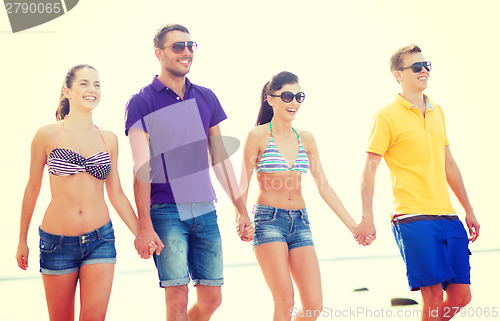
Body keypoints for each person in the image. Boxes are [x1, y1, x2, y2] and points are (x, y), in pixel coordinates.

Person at [124, 24, 252, 321]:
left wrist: (240, 208)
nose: (187, 51)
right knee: (177, 296)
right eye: (178, 46)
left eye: (191, 45)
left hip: (205, 208)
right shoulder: (141, 101)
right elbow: (139, 168)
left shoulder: (206, 97)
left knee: (212, 298)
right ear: (159, 53)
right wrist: (144, 226)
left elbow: (220, 157)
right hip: (165, 211)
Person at [15, 64, 156, 321]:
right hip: (56, 242)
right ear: (67, 91)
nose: (92, 89)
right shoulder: (46, 135)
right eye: (84, 83)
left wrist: (142, 232)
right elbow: (32, 188)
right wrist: (22, 239)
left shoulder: (109, 139)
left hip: (100, 240)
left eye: (97, 84)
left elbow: (116, 194)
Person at [355, 44, 480, 321]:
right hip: (413, 216)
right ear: (398, 74)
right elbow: (368, 169)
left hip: (448, 215)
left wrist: (468, 209)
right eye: (416, 67)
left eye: (426, 66)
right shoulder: (386, 116)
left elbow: (449, 163)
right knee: (433, 297)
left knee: (462, 295)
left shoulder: (438, 111)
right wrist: (366, 217)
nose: (424, 71)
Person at [239, 71, 370, 321]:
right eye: (287, 96)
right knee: (285, 300)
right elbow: (242, 184)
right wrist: (241, 217)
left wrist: (354, 227)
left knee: (313, 306)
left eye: (299, 96)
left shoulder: (306, 138)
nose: (294, 102)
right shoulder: (257, 136)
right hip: (268, 221)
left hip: (300, 222)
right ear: (271, 99)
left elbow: (325, 187)